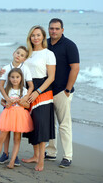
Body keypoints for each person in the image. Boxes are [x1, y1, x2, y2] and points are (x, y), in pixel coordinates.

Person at [45, 18, 80, 168]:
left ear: (62, 30)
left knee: (64, 125)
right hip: (46, 90)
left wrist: (67, 89)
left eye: (57, 28)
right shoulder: (44, 44)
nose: (54, 31)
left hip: (62, 91)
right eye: (51, 28)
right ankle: (51, 152)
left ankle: (67, 156)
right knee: (49, 123)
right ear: (48, 29)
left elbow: (75, 68)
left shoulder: (69, 45)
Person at [22, 25, 56, 172]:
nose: (35, 38)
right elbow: (19, 68)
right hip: (28, 90)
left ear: (43, 36)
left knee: (41, 126)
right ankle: (35, 156)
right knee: (32, 125)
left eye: (38, 35)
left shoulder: (48, 54)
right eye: (33, 35)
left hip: (43, 91)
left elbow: (51, 77)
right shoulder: (27, 53)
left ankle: (41, 160)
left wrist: (38, 91)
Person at [0, 68, 34, 169]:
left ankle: (12, 161)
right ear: (9, 78)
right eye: (12, 77)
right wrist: (6, 104)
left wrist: (21, 102)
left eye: (17, 77)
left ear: (21, 78)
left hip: (19, 116)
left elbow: (27, 105)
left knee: (17, 139)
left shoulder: (24, 91)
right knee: (0, 138)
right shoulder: (7, 90)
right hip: (7, 115)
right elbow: (2, 101)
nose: (15, 79)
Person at [0, 46, 34, 166]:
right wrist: (6, 99)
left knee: (16, 130)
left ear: (24, 59)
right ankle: (5, 153)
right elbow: (1, 86)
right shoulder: (5, 68)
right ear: (13, 53)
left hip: (19, 105)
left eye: (22, 55)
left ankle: (15, 155)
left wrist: (25, 97)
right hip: (9, 103)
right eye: (18, 53)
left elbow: (31, 86)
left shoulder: (25, 69)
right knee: (6, 130)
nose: (19, 55)